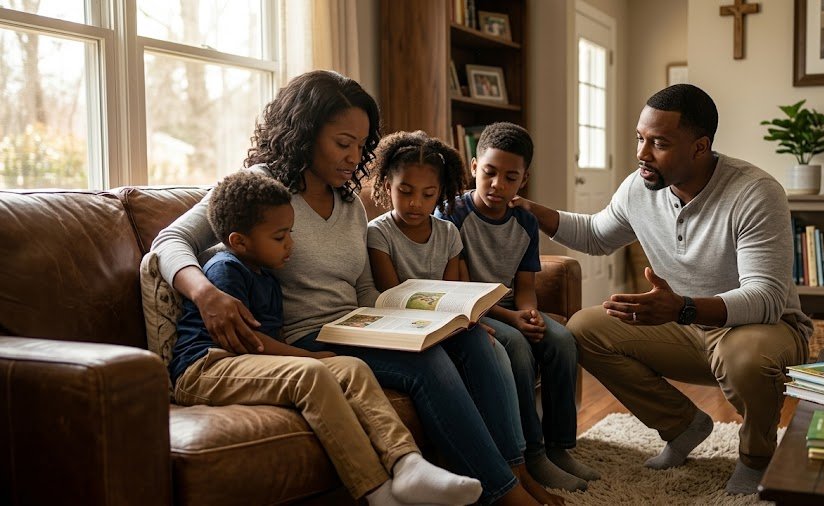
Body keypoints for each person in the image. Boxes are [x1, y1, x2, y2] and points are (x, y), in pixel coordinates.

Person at [151, 70, 543, 506]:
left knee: (470, 338)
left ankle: (515, 469)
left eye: (361, 145)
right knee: (426, 364)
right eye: (343, 143)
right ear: (305, 133)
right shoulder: (263, 188)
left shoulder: (349, 203)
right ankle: (505, 497)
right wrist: (205, 293)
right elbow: (169, 240)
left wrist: (423, 320)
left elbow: (363, 292)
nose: (354, 157)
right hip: (304, 334)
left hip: (358, 325)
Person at [509, 85, 812, 495]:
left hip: (761, 329)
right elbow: (598, 234)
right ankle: (683, 425)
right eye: (640, 138)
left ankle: (757, 457)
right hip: (684, 324)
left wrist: (682, 307)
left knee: (745, 357)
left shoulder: (754, 192)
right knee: (584, 329)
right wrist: (528, 209)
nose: (642, 154)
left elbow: (766, 298)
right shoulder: (640, 187)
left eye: (659, 143)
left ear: (700, 147)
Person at [170, 171, 482, 506]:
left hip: (245, 362)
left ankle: (406, 463)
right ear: (239, 241)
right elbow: (248, 342)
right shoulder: (225, 269)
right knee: (314, 373)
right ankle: (377, 491)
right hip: (207, 367)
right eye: (280, 237)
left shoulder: (267, 276)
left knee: (352, 366)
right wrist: (308, 356)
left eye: (290, 233)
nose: (290, 244)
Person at [364, 130, 567, 504]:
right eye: (405, 191)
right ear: (386, 186)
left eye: (428, 195)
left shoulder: (447, 232)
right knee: (497, 347)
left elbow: (456, 294)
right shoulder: (379, 233)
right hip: (405, 327)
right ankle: (511, 482)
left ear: (440, 193)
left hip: (445, 324)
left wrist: (471, 320)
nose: (415, 203)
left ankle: (518, 469)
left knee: (489, 345)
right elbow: (392, 300)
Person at [436, 123, 600, 493]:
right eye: (490, 173)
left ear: (523, 180)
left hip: (510, 307)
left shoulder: (525, 221)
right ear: (474, 166)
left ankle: (560, 447)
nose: (497, 185)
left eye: (510, 177)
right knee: (520, 349)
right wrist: (512, 319)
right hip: (474, 310)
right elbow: (456, 290)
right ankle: (533, 455)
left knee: (562, 341)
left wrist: (529, 313)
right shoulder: (452, 214)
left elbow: (525, 287)